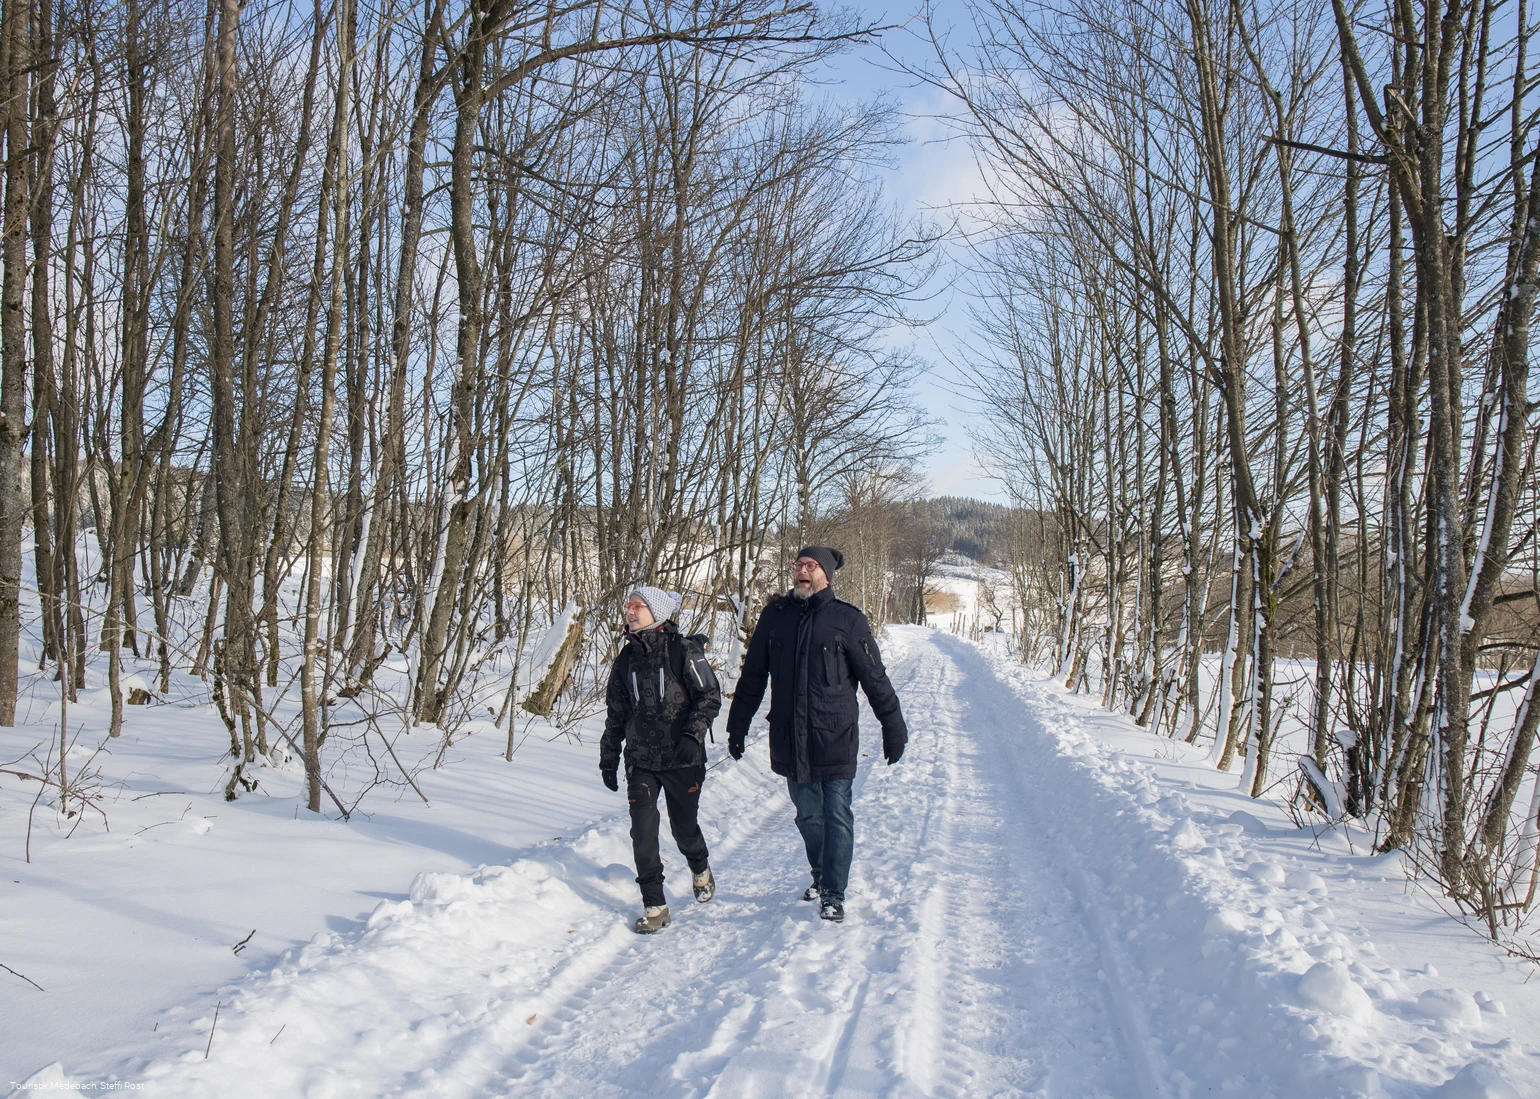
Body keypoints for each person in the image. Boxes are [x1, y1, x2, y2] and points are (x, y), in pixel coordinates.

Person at [725, 546, 907, 923]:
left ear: (826, 574)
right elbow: (754, 676)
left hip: (836, 734)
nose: (802, 571)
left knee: (837, 814)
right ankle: (822, 873)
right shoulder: (775, 617)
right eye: (798, 565)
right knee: (808, 816)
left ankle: (834, 892)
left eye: (811, 566)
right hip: (790, 737)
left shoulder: (847, 620)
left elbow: (874, 677)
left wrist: (894, 726)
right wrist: (737, 725)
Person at [600, 585, 722, 934]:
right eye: (628, 605)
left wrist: (691, 735)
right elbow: (616, 713)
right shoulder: (626, 660)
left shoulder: (683, 650)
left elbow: (709, 696)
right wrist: (608, 757)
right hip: (641, 760)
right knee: (642, 831)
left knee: (683, 830)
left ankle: (699, 867)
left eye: (638, 605)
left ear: (657, 612)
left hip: (683, 758)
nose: (630, 610)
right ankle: (655, 905)